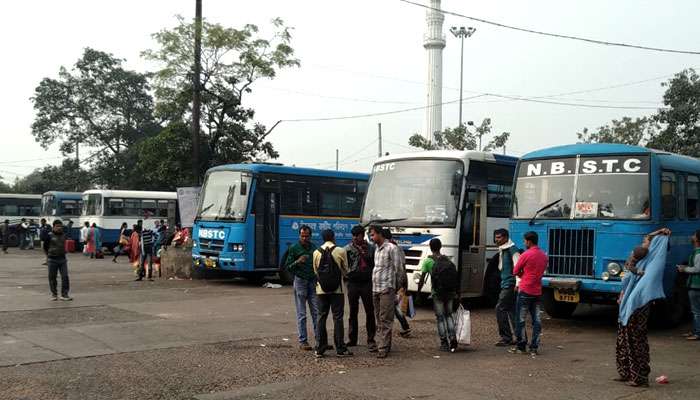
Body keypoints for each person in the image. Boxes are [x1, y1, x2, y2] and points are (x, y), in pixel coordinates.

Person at [616, 228, 671, 387]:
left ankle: (639, 377)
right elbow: (628, 277)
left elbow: (636, 284)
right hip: (628, 305)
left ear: (653, 245)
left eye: (646, 241)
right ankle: (625, 372)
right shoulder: (642, 260)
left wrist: (658, 234)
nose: (643, 244)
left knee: (636, 341)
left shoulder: (655, 263)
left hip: (637, 306)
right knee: (623, 339)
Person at [312, 229, 352, 358]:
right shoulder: (341, 251)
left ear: (322, 238)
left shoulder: (316, 253)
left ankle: (320, 348)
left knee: (321, 317)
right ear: (333, 237)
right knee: (338, 318)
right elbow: (346, 271)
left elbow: (315, 271)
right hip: (337, 291)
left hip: (321, 290)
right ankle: (340, 348)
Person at [510, 231, 548, 356]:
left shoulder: (526, 254)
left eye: (525, 241)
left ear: (528, 241)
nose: (524, 243)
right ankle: (534, 347)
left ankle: (521, 346)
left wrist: (524, 275)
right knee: (536, 320)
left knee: (520, 319)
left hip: (525, 289)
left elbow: (515, 271)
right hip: (537, 291)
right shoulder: (543, 256)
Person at [417, 238, 458, 352]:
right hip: (450, 293)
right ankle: (453, 337)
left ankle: (444, 343)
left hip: (437, 293)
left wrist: (419, 292)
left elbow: (422, 279)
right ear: (440, 247)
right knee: (449, 315)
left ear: (430, 247)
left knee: (440, 318)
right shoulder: (448, 260)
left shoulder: (428, 261)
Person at [369, 225, 403, 359]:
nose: (371, 238)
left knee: (385, 319)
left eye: (373, 235)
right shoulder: (377, 249)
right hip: (375, 288)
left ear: (380, 234)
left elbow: (399, 269)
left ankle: (383, 348)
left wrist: (396, 288)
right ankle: (384, 344)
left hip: (386, 289)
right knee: (379, 318)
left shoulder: (392, 248)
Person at [284, 225, 319, 351]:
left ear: (310, 236)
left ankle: (319, 340)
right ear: (299, 235)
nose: (304, 238)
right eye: (302, 236)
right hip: (300, 281)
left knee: (316, 312)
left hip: (312, 282)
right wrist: (298, 261)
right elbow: (288, 267)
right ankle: (303, 341)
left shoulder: (314, 247)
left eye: (307, 236)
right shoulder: (294, 248)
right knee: (302, 313)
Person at [344, 225, 377, 351]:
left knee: (369, 311)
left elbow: (374, 264)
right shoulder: (347, 249)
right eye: (353, 235)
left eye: (356, 235)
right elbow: (344, 264)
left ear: (362, 236)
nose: (354, 238)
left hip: (367, 283)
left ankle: (371, 339)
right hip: (352, 283)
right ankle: (352, 339)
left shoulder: (371, 248)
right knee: (353, 312)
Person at [494, 229, 521, 347]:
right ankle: (519, 337)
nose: (496, 240)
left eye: (499, 237)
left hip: (510, 284)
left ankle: (506, 337)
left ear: (505, 238)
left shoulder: (512, 250)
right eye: (496, 237)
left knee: (500, 308)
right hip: (506, 283)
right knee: (512, 311)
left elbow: (518, 267)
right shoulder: (503, 249)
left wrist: (518, 284)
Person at [384, 229, 412, 338]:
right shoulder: (399, 248)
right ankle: (404, 326)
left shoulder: (389, 248)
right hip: (400, 279)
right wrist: (405, 282)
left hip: (392, 280)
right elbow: (403, 266)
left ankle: (404, 326)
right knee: (394, 304)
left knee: (393, 305)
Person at [677, 229, 700, 341]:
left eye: (694, 235)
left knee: (696, 311)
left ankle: (697, 333)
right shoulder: (696, 252)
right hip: (694, 285)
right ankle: (695, 330)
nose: (692, 236)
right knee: (695, 310)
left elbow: (697, 269)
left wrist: (684, 269)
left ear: (697, 239)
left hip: (696, 286)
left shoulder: (698, 253)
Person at [43, 220, 72, 301]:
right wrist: (47, 257)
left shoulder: (64, 235)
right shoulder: (49, 236)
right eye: (57, 226)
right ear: (53, 227)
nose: (59, 228)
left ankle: (64, 294)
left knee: (65, 276)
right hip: (52, 259)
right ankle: (54, 294)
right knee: (52, 277)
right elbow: (45, 247)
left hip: (62, 259)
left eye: (60, 226)